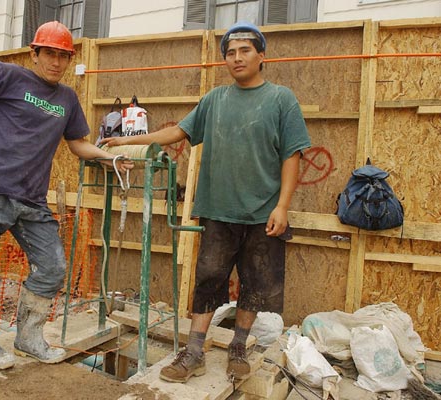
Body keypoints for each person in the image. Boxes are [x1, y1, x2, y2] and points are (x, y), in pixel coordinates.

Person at [100, 21, 311, 383]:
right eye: (230, 53)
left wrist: (283, 206)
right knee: (209, 280)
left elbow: (292, 155)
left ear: (262, 56)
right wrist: (122, 142)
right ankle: (194, 352)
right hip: (218, 210)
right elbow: (178, 131)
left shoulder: (281, 99)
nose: (237, 57)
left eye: (245, 50)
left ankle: (239, 347)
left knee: (256, 283)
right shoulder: (215, 99)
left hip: (264, 213)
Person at [0, 21, 133, 371]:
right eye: (50, 54)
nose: (56, 63)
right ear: (35, 53)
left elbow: (77, 144)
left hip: (30, 200)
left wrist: (112, 157)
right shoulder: (8, 76)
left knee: (53, 266)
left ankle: (28, 337)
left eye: (63, 56)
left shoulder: (67, 100)